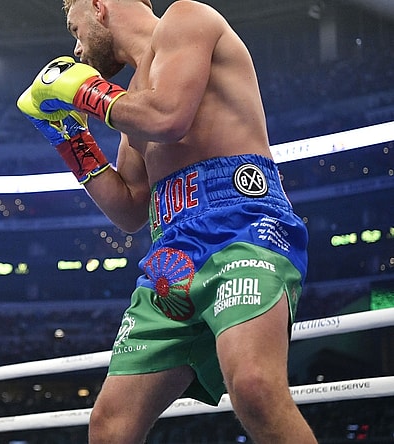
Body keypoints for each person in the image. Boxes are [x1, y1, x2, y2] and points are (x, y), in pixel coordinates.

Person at [17, 1, 316, 442]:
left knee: (254, 387)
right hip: (171, 253)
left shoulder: (187, 19)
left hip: (243, 225)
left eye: (73, 29)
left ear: (99, 7)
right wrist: (70, 137)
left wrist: (86, 92)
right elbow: (130, 209)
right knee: (109, 427)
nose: (76, 50)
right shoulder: (133, 96)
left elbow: (169, 118)